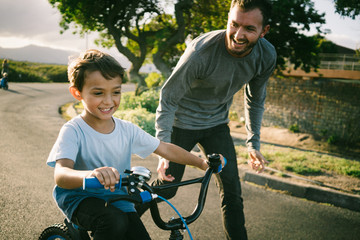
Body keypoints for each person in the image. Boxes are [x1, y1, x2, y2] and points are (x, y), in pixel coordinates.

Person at [46, 49, 224, 240]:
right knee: (113, 222)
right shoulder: (73, 130)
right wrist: (91, 174)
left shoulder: (126, 129)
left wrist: (201, 163)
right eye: (98, 93)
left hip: (118, 198)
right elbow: (61, 175)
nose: (108, 101)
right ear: (77, 93)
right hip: (80, 199)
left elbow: (164, 148)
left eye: (116, 92)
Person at [143, 0, 277, 239]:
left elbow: (255, 100)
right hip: (180, 125)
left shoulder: (265, 56)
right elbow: (168, 97)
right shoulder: (201, 52)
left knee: (232, 194)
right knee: (168, 189)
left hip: (216, 126)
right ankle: (120, 218)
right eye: (234, 24)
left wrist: (253, 144)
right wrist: (162, 149)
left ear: (264, 30)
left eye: (249, 29)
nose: (238, 34)